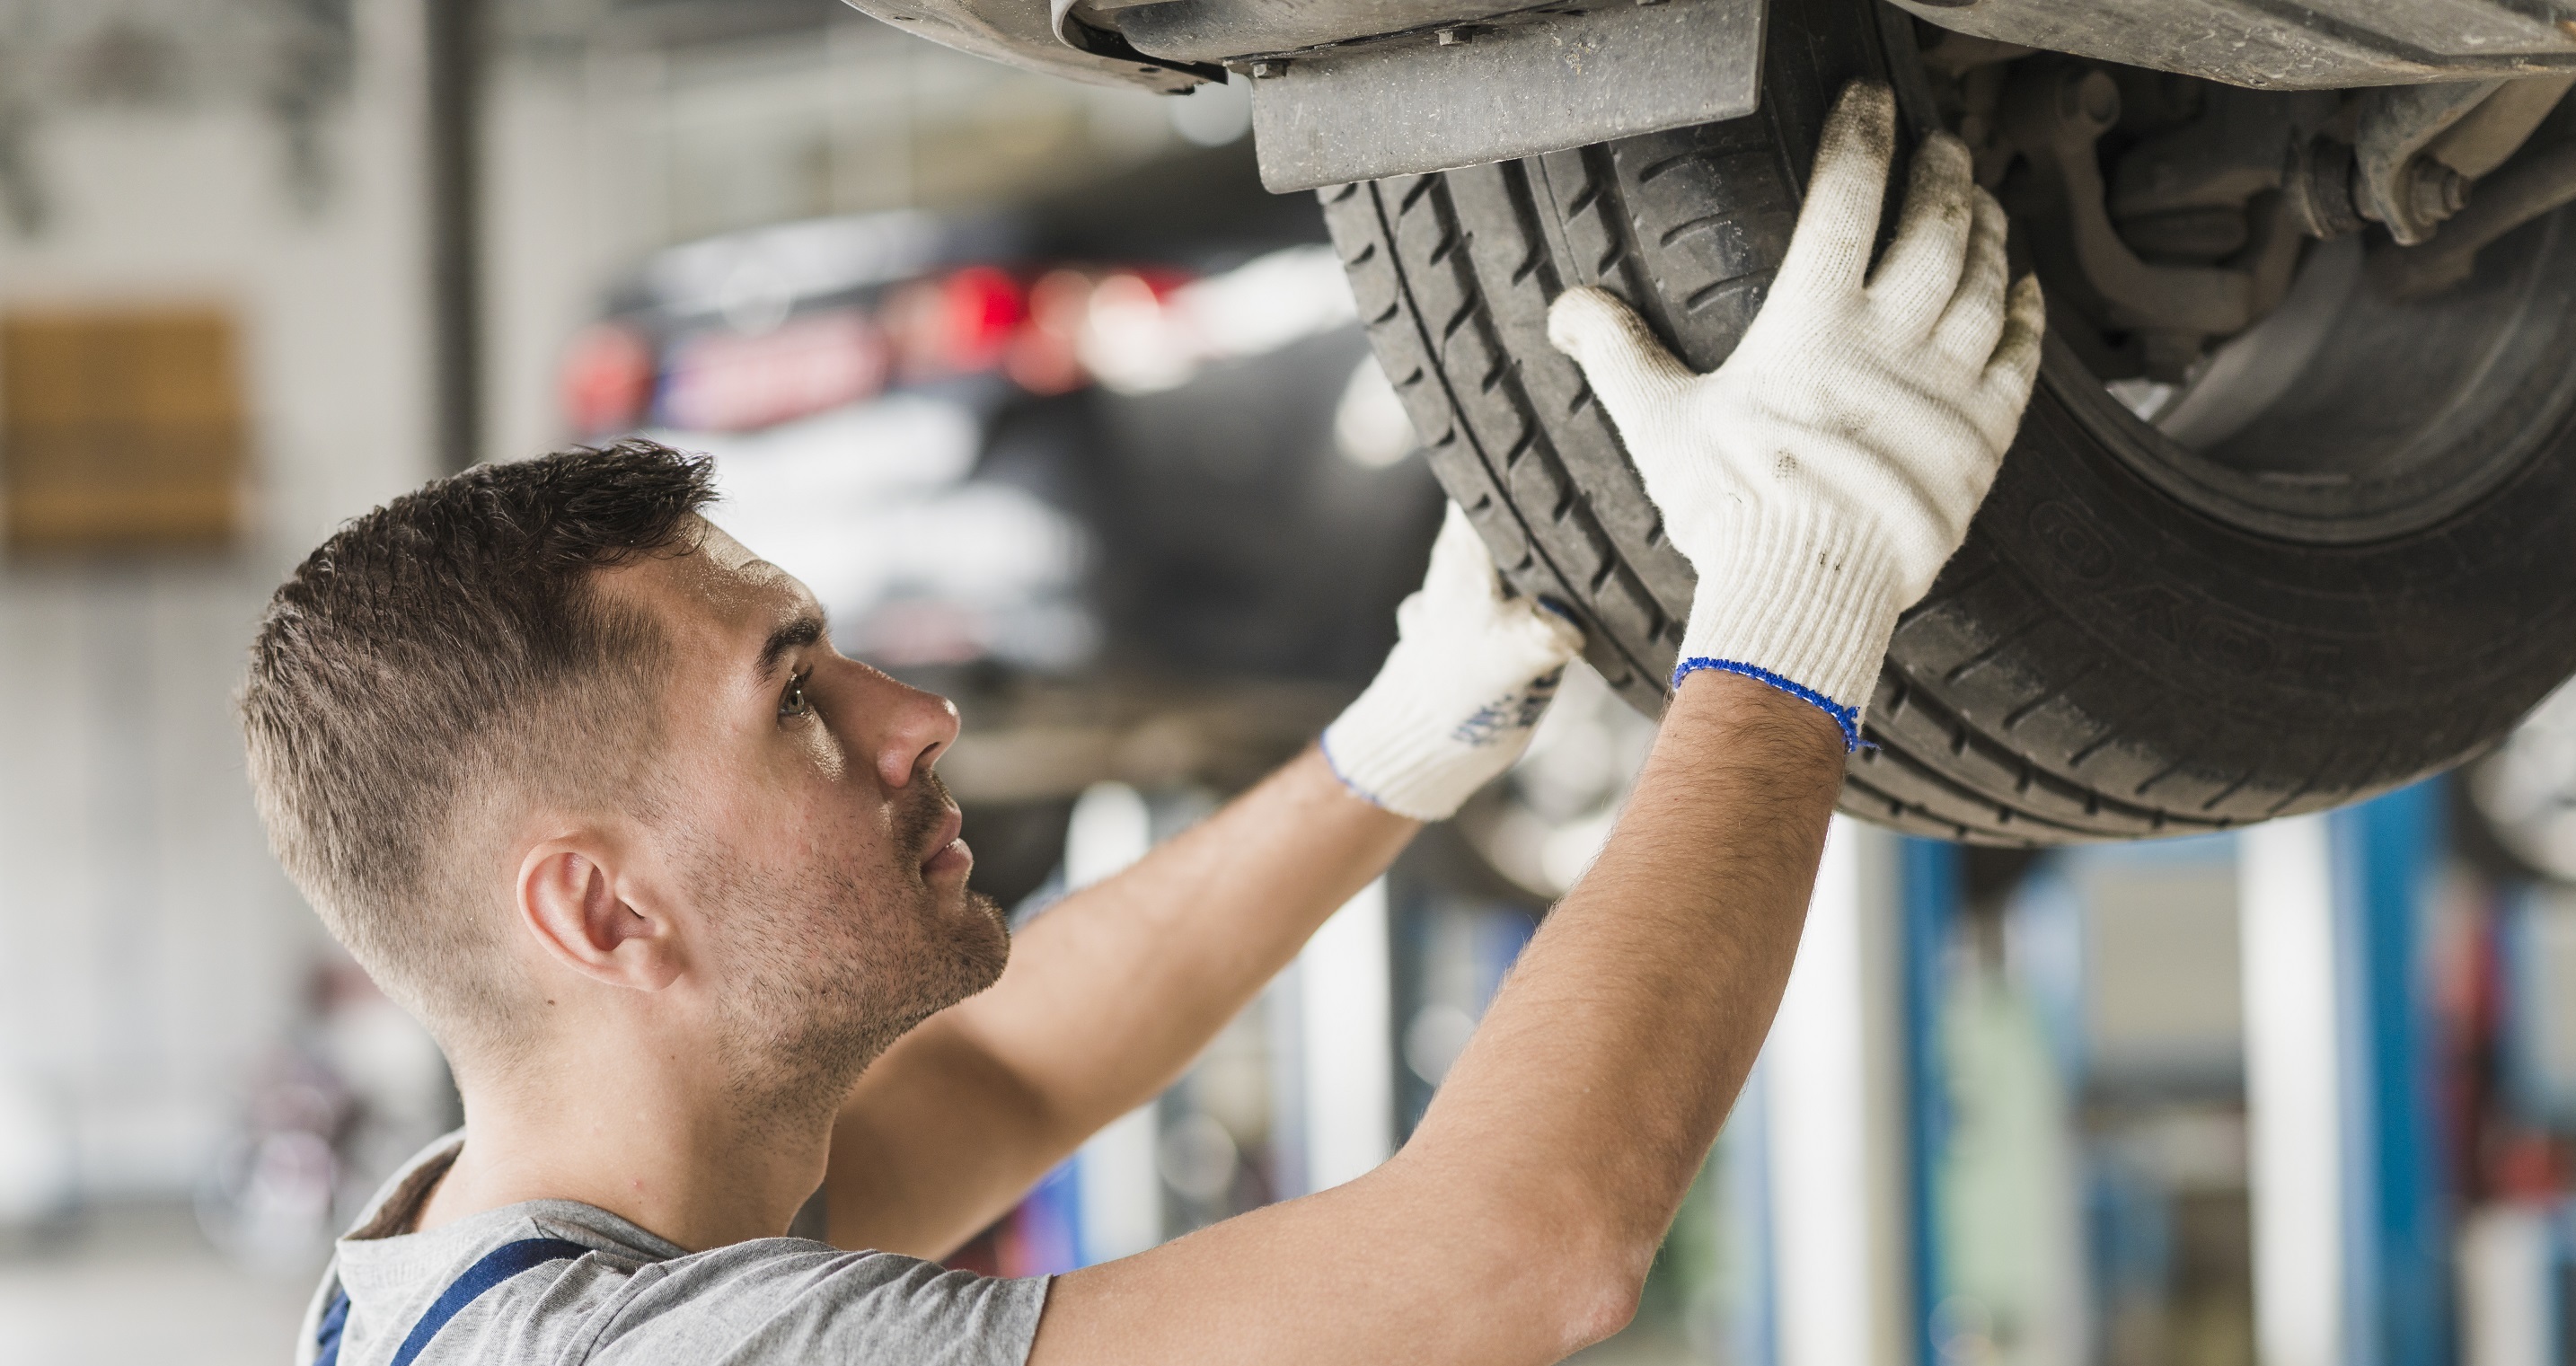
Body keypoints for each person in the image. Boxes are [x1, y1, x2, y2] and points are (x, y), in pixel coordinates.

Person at [242, 81, 2040, 1366]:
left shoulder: (514, 1255)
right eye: (795, 699)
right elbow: (1515, 1257)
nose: (916, 713)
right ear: (601, 912)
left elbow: (1002, 1075)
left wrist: (1388, 750)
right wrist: (1797, 598)